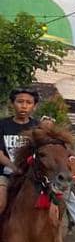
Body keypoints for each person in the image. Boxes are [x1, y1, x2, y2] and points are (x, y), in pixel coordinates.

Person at [0, 87, 39, 219]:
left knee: (55, 204)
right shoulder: (3, 125)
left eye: (29, 103)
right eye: (20, 101)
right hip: (5, 173)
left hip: (33, 176)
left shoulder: (38, 128)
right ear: (12, 103)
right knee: (1, 202)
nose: (24, 106)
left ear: (34, 106)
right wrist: (14, 167)